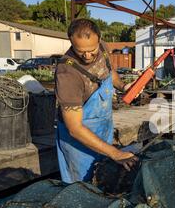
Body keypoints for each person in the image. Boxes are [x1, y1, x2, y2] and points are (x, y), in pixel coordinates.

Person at [55, 19, 138, 184]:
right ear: (71, 43)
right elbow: (75, 129)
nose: (87, 56)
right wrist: (116, 153)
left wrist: (123, 86)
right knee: (82, 189)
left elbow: (109, 71)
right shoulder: (67, 73)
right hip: (79, 142)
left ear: (99, 40)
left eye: (91, 50)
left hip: (103, 130)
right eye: (80, 51)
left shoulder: (104, 48)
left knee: (103, 181)